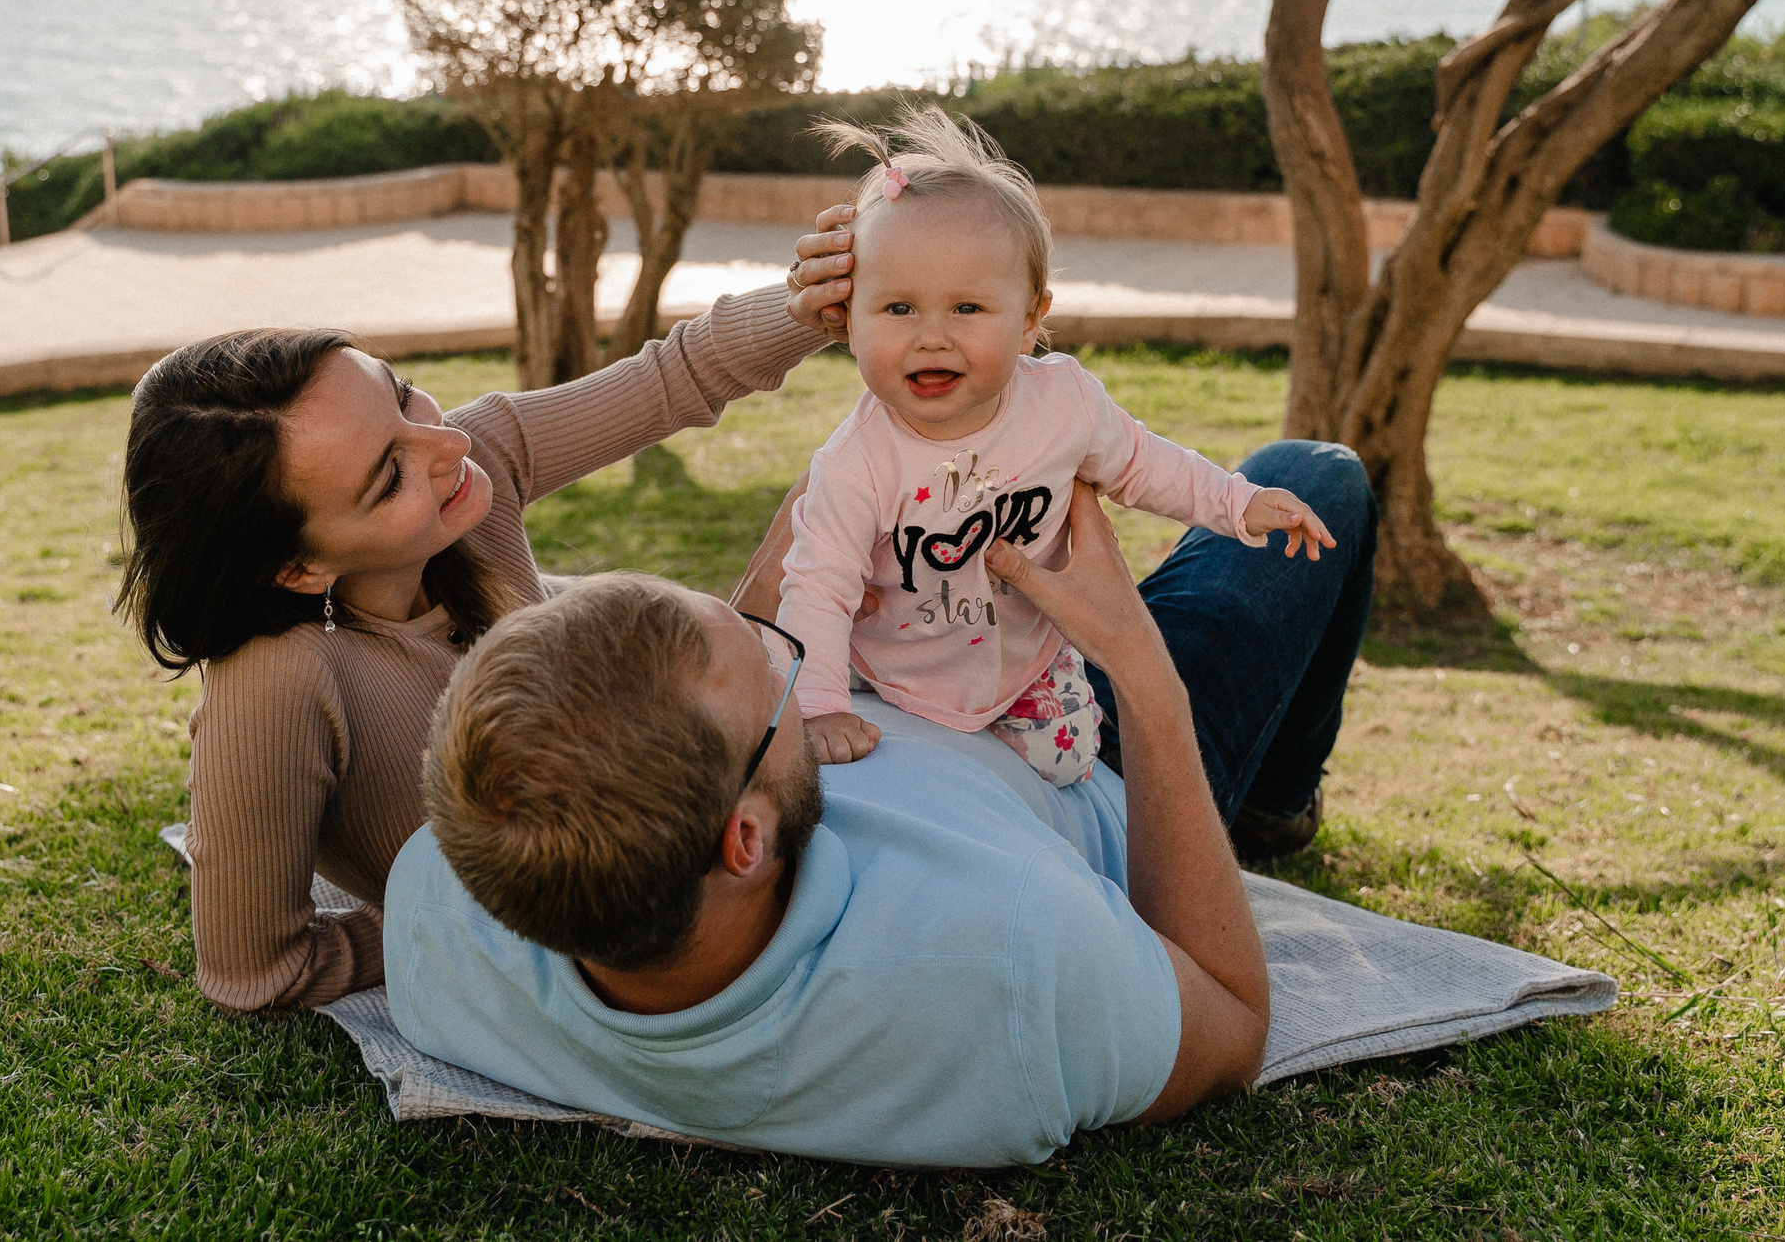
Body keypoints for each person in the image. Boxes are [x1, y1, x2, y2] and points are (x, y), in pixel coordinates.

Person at [387, 473, 1370, 1166]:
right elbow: (1235, 1025)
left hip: (910, 689)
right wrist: (1139, 665)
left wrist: (773, 599)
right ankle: (1273, 805)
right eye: (780, 681)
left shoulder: (443, 884)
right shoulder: (1016, 958)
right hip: (1083, 753)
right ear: (744, 841)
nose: (797, 670)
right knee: (1312, 482)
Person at [119, 262, 847, 1014]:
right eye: (389, 476)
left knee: (840, 510)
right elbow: (255, 974)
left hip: (659, 737)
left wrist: (817, 300)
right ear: (298, 566)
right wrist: (448, 914)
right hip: (647, 881)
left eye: (401, 393)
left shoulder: (467, 465)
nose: (445, 441)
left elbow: (674, 375)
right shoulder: (275, 683)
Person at [775, 105, 1335, 789]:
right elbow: (819, 589)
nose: (932, 335)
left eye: (968, 308)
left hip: (1030, 662)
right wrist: (821, 708)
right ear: (848, 321)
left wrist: (1238, 501)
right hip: (888, 671)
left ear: (1031, 319)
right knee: (875, 765)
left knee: (1069, 763)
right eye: (898, 309)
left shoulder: (1062, 403)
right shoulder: (856, 460)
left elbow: (1145, 464)